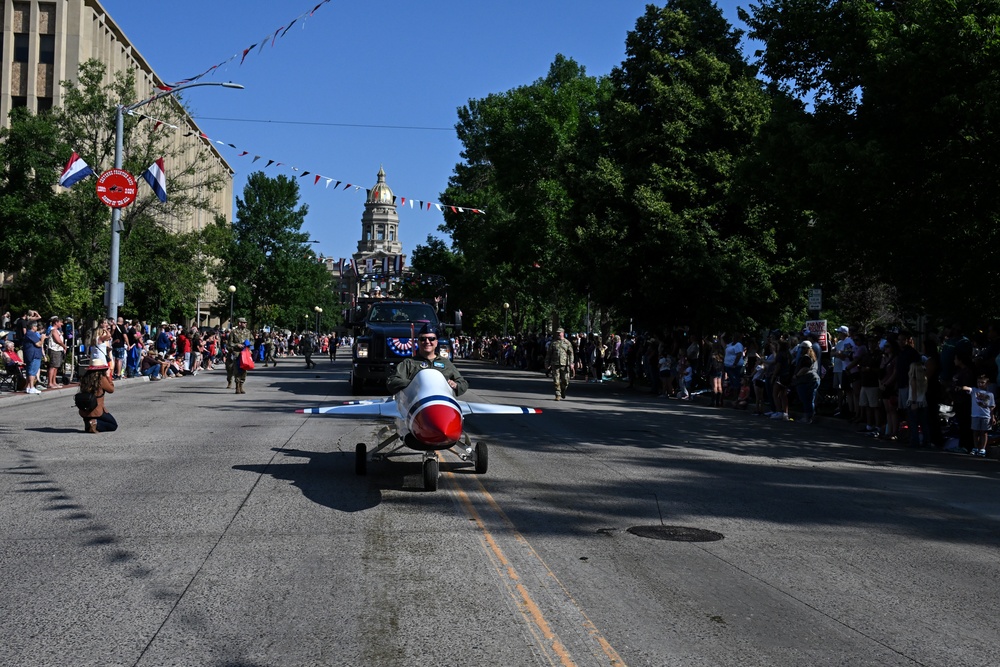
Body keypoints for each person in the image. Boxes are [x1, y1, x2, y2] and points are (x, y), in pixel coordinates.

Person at [387, 324, 467, 396]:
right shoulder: (409, 363)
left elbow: (463, 383)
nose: (427, 342)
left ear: (436, 342)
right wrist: (413, 383)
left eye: (431, 339)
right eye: (423, 339)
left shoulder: (446, 363)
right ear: (418, 342)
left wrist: (455, 385)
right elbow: (392, 381)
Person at [957, 374, 996, 457]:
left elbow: (991, 407)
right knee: (975, 432)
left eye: (982, 382)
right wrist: (962, 387)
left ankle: (982, 449)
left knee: (984, 433)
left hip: (986, 416)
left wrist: (992, 417)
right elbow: (968, 388)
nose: (980, 384)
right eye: (978, 382)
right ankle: (976, 448)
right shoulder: (974, 391)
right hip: (975, 415)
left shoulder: (990, 394)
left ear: (987, 383)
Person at [76, 360, 117, 433]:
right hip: (97, 410)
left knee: (87, 429)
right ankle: (95, 423)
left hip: (85, 410)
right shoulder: (101, 379)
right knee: (113, 425)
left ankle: (90, 424)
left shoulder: (85, 378)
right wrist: (108, 377)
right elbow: (111, 390)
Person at [545, 328, 575, 401]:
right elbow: (549, 354)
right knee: (556, 380)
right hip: (555, 364)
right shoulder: (553, 343)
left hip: (565, 364)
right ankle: (557, 394)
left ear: (563, 333)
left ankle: (563, 390)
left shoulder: (567, 343)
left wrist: (571, 363)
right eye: (557, 333)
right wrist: (546, 363)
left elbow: (571, 354)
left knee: (565, 380)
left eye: (560, 333)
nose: (558, 334)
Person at [226, 316, 253, 393]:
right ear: (239, 323)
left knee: (244, 369)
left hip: (245, 353)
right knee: (237, 369)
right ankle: (237, 386)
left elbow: (252, 340)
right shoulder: (233, 332)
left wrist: (248, 345)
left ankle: (241, 385)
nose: (245, 324)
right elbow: (229, 343)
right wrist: (237, 345)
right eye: (244, 322)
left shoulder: (248, 332)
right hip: (237, 353)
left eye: (246, 322)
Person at [21, 320, 47, 394]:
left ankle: (28, 387)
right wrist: (42, 338)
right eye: (36, 326)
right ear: (33, 327)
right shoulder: (31, 334)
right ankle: (32, 387)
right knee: (32, 371)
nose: (36, 328)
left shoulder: (29, 334)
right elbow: (38, 344)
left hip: (30, 355)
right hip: (34, 355)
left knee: (30, 371)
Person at [46, 316, 67, 389]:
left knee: (56, 367)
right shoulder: (53, 330)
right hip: (54, 349)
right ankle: (50, 383)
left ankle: (54, 382)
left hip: (58, 350)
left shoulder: (57, 330)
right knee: (53, 366)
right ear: (56, 323)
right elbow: (57, 340)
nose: (61, 324)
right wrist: (64, 346)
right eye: (60, 322)